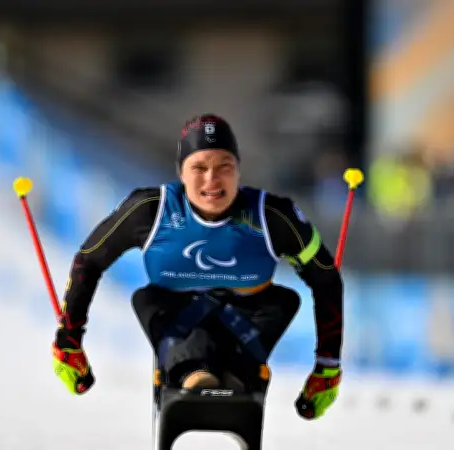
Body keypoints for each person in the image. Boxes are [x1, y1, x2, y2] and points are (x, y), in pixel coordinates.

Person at [52, 114, 344, 420]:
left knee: (283, 299)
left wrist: (327, 366)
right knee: (148, 298)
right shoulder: (151, 210)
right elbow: (89, 260)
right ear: (181, 172)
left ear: (238, 170)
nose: (212, 179)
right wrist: (69, 339)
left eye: (224, 166)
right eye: (199, 167)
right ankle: (195, 374)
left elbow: (325, 278)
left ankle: (238, 375)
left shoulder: (272, 216)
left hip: (245, 327)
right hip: (177, 323)